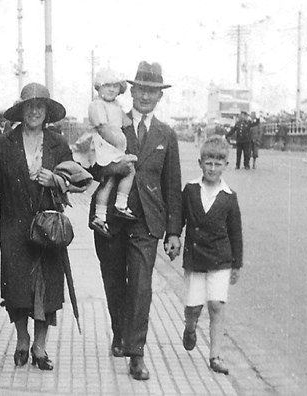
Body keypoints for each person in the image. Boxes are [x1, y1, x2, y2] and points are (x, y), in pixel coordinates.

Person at [89, 61, 182, 381]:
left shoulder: (166, 134)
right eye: (140, 89)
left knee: (141, 286)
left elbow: (172, 184)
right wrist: (108, 171)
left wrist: (174, 231)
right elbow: (91, 165)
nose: (145, 96)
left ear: (159, 97)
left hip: (147, 221)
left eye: (152, 92)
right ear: (133, 92)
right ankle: (120, 332)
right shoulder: (113, 121)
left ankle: (136, 352)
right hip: (112, 217)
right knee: (115, 281)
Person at [0, 82, 73, 371]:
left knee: (47, 289)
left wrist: (55, 181)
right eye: (29, 106)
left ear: (47, 112)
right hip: (14, 226)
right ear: (21, 111)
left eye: (40, 106)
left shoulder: (59, 144)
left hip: (48, 227)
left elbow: (75, 181)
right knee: (17, 288)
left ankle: (40, 347)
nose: (34, 111)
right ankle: (22, 339)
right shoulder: (3, 144)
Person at [180, 135, 243, 376]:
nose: (213, 168)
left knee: (217, 305)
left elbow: (235, 232)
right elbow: (180, 218)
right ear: (201, 163)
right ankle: (190, 325)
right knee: (193, 306)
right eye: (209, 163)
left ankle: (215, 354)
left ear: (225, 166)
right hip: (196, 258)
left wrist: (236, 263)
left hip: (220, 259)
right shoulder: (191, 190)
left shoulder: (229, 196)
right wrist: (173, 235)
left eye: (218, 164)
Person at [73, 68, 138, 237]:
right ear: (99, 87)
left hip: (111, 144)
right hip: (104, 144)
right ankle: (120, 204)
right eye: (107, 86)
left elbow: (126, 122)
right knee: (128, 170)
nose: (111, 90)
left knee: (109, 180)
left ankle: (100, 216)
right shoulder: (97, 105)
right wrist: (120, 145)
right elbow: (103, 127)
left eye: (115, 86)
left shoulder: (116, 105)